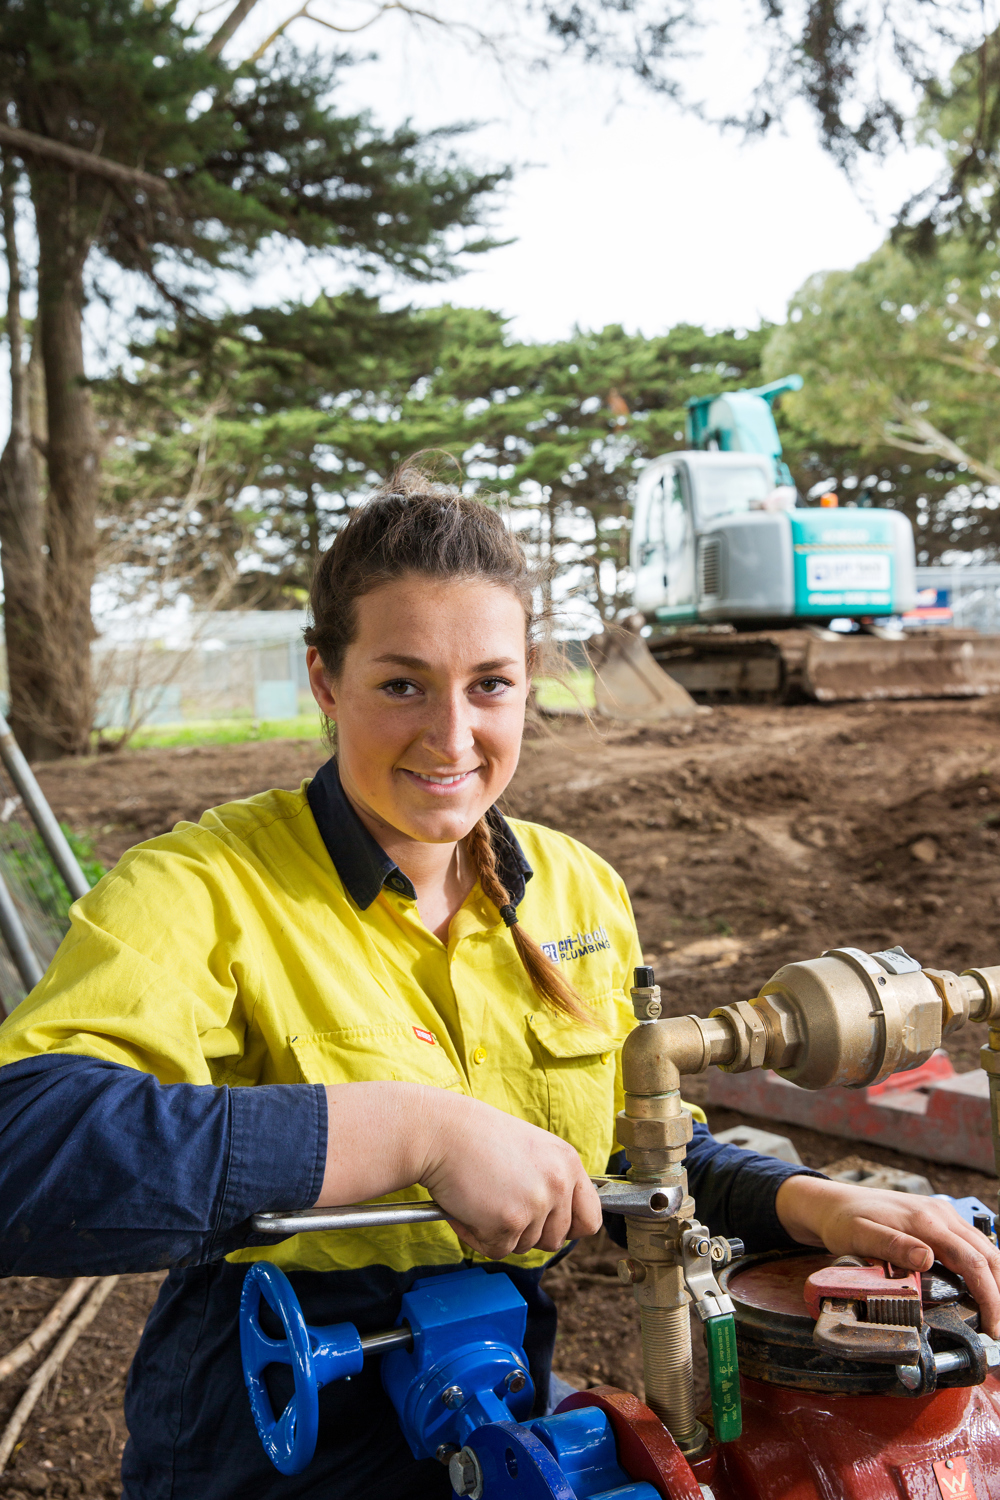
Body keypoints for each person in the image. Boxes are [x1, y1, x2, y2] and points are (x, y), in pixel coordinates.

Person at [0, 468, 998, 1500]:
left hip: (500, 1400)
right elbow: (22, 1148)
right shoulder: (200, 888)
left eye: (488, 684)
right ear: (323, 682)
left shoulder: (576, 889)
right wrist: (413, 1133)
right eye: (400, 684)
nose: (451, 736)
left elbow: (627, 1148)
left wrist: (805, 1202)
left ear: (527, 684)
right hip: (266, 1428)